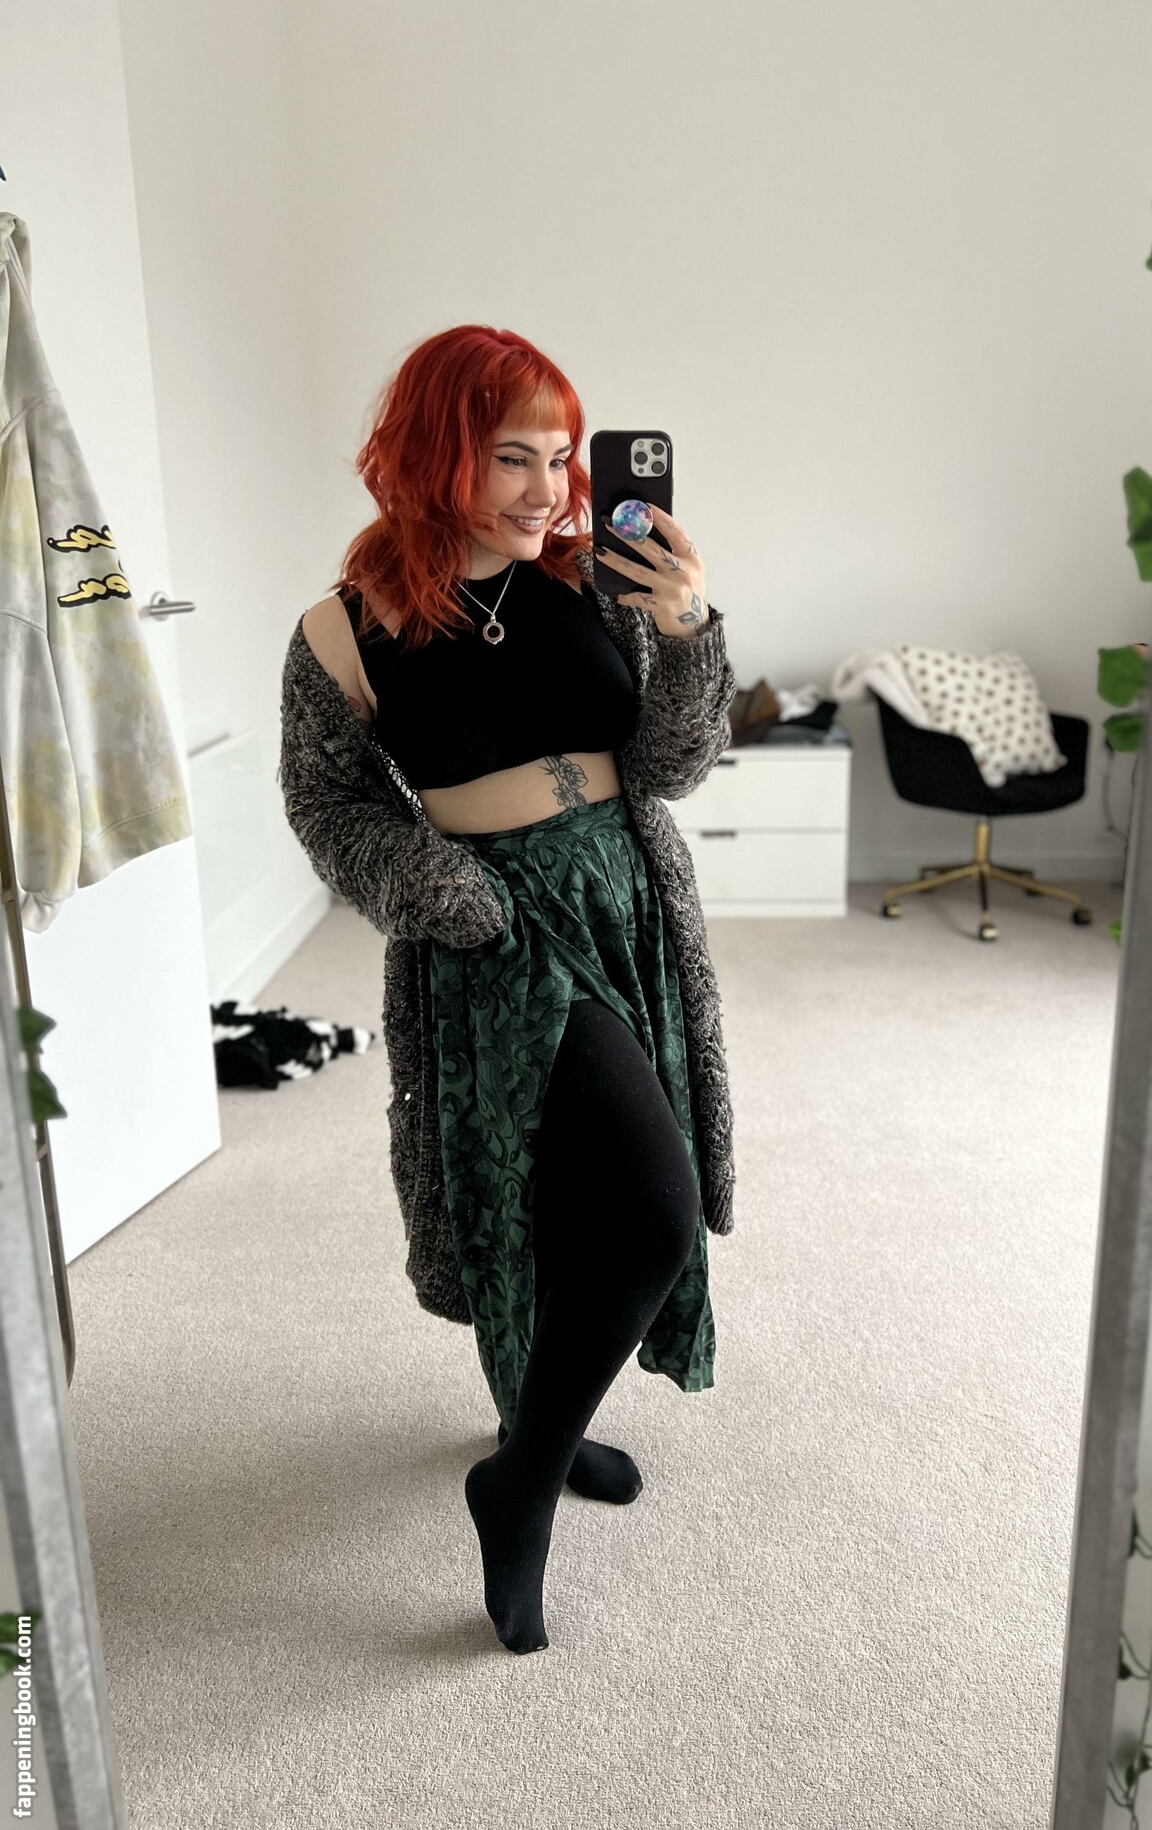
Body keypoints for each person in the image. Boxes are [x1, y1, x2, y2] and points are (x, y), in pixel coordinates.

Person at [289, 325, 737, 1653]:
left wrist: (689, 629)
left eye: (560, 457)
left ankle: (545, 1421)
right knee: (648, 1210)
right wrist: (448, 898)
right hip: (496, 928)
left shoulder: (598, 583)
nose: (550, 490)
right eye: (512, 459)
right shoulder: (344, 629)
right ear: (438, 455)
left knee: (589, 1200)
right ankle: (521, 1484)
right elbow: (328, 804)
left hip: (623, 895)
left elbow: (675, 764)